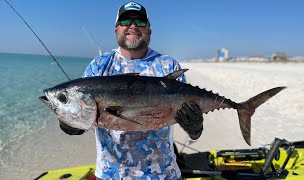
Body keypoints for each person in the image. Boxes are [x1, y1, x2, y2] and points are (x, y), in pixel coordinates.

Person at [59, 2, 204, 179]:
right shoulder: (98, 66)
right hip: (111, 175)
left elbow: (188, 122)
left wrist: (195, 128)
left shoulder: (168, 65)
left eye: (140, 22)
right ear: (116, 29)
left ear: (149, 30)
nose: (133, 26)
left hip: (164, 174)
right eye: (125, 21)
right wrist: (70, 123)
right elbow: (86, 119)